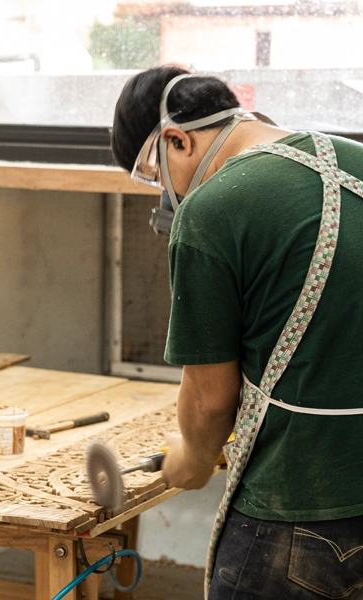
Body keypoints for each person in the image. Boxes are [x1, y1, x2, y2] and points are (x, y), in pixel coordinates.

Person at [111, 66, 363, 599]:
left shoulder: (211, 212)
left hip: (298, 512)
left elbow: (209, 404)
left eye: (156, 175)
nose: (164, 194)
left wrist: (191, 459)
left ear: (177, 139)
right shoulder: (352, 158)